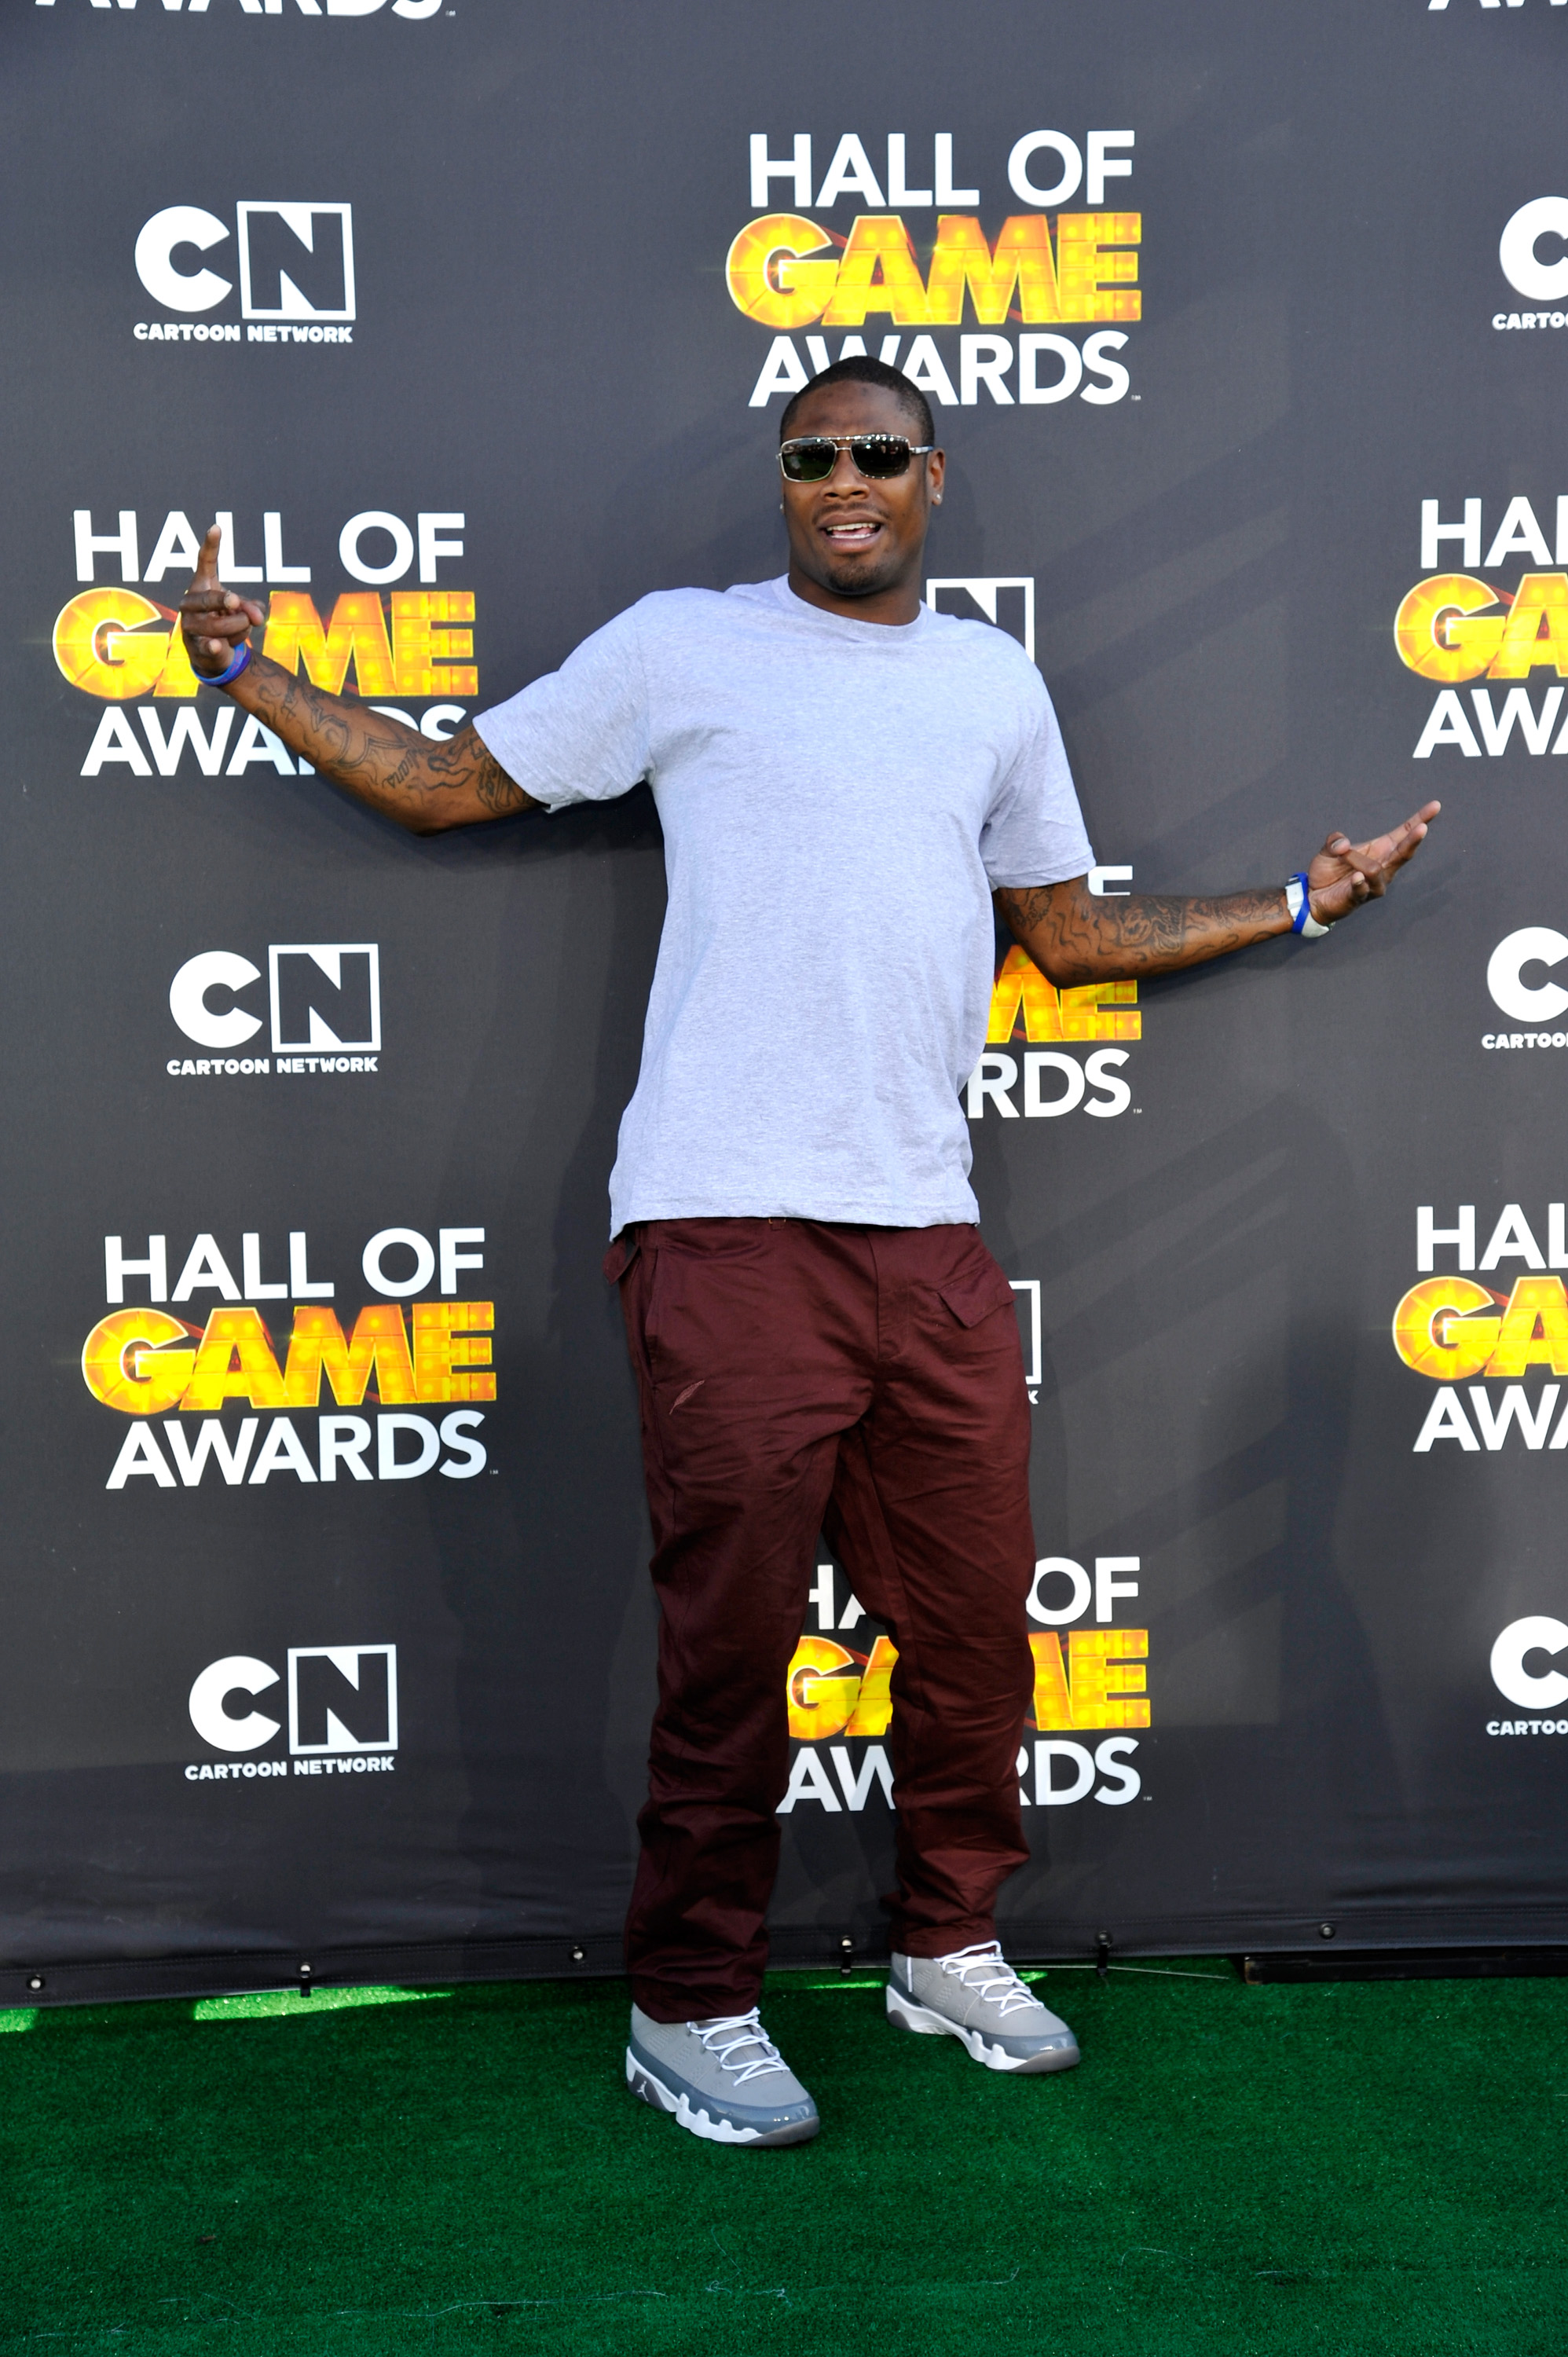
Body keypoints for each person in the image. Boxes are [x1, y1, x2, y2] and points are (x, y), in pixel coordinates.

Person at [180, 356, 1438, 2150]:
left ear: (933, 477)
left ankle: (946, 1939)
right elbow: (450, 785)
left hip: (924, 1232)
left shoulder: (989, 684)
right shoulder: (681, 647)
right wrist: (248, 669)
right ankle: (688, 1997)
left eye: (877, 456)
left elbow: (1069, 937)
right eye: (810, 458)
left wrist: (1303, 898)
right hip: (719, 1219)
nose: (843, 480)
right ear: (782, 482)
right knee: (730, 1641)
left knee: (972, 1635)